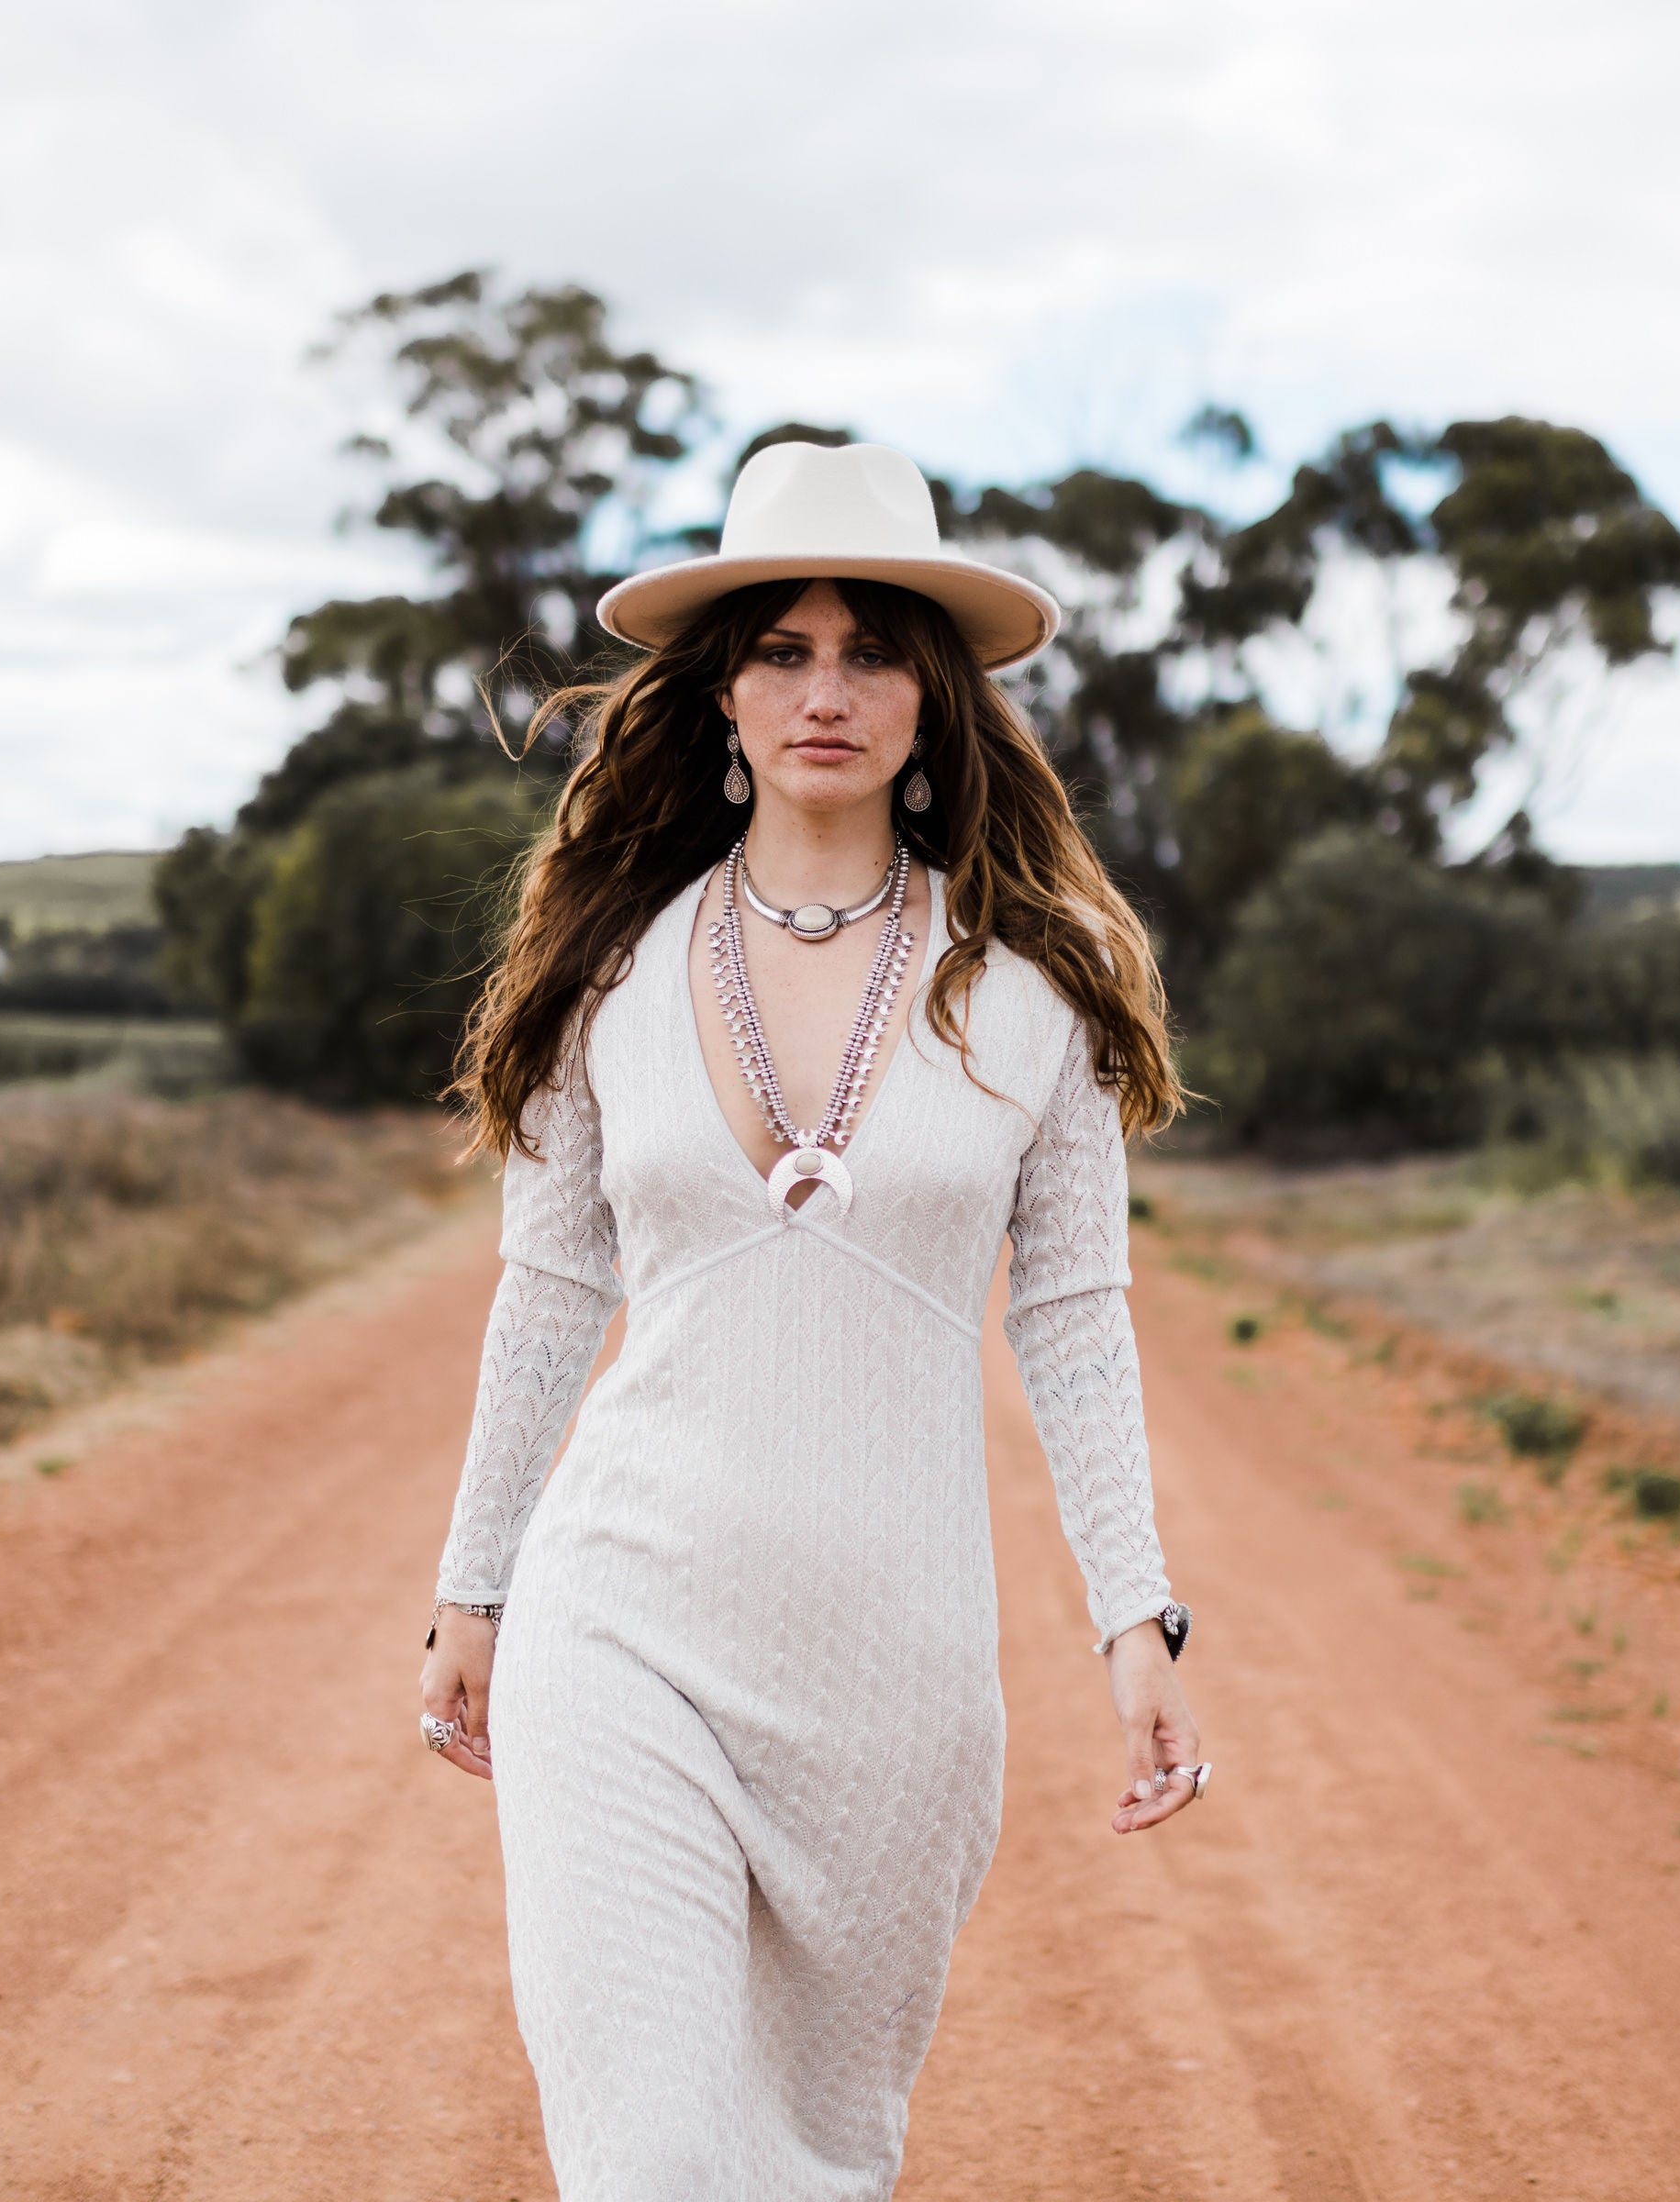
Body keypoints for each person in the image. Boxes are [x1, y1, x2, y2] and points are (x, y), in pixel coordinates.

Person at [417, 439, 1206, 2199]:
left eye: (871, 651)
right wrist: (476, 1583)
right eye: (782, 648)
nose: (826, 690)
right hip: (620, 1623)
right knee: (651, 2159)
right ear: (722, 695)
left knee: (814, 2165)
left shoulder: (1036, 992)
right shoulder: (608, 970)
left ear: (937, 701)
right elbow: (549, 1291)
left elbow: (1074, 1323)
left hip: (897, 1678)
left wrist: (1134, 1617)